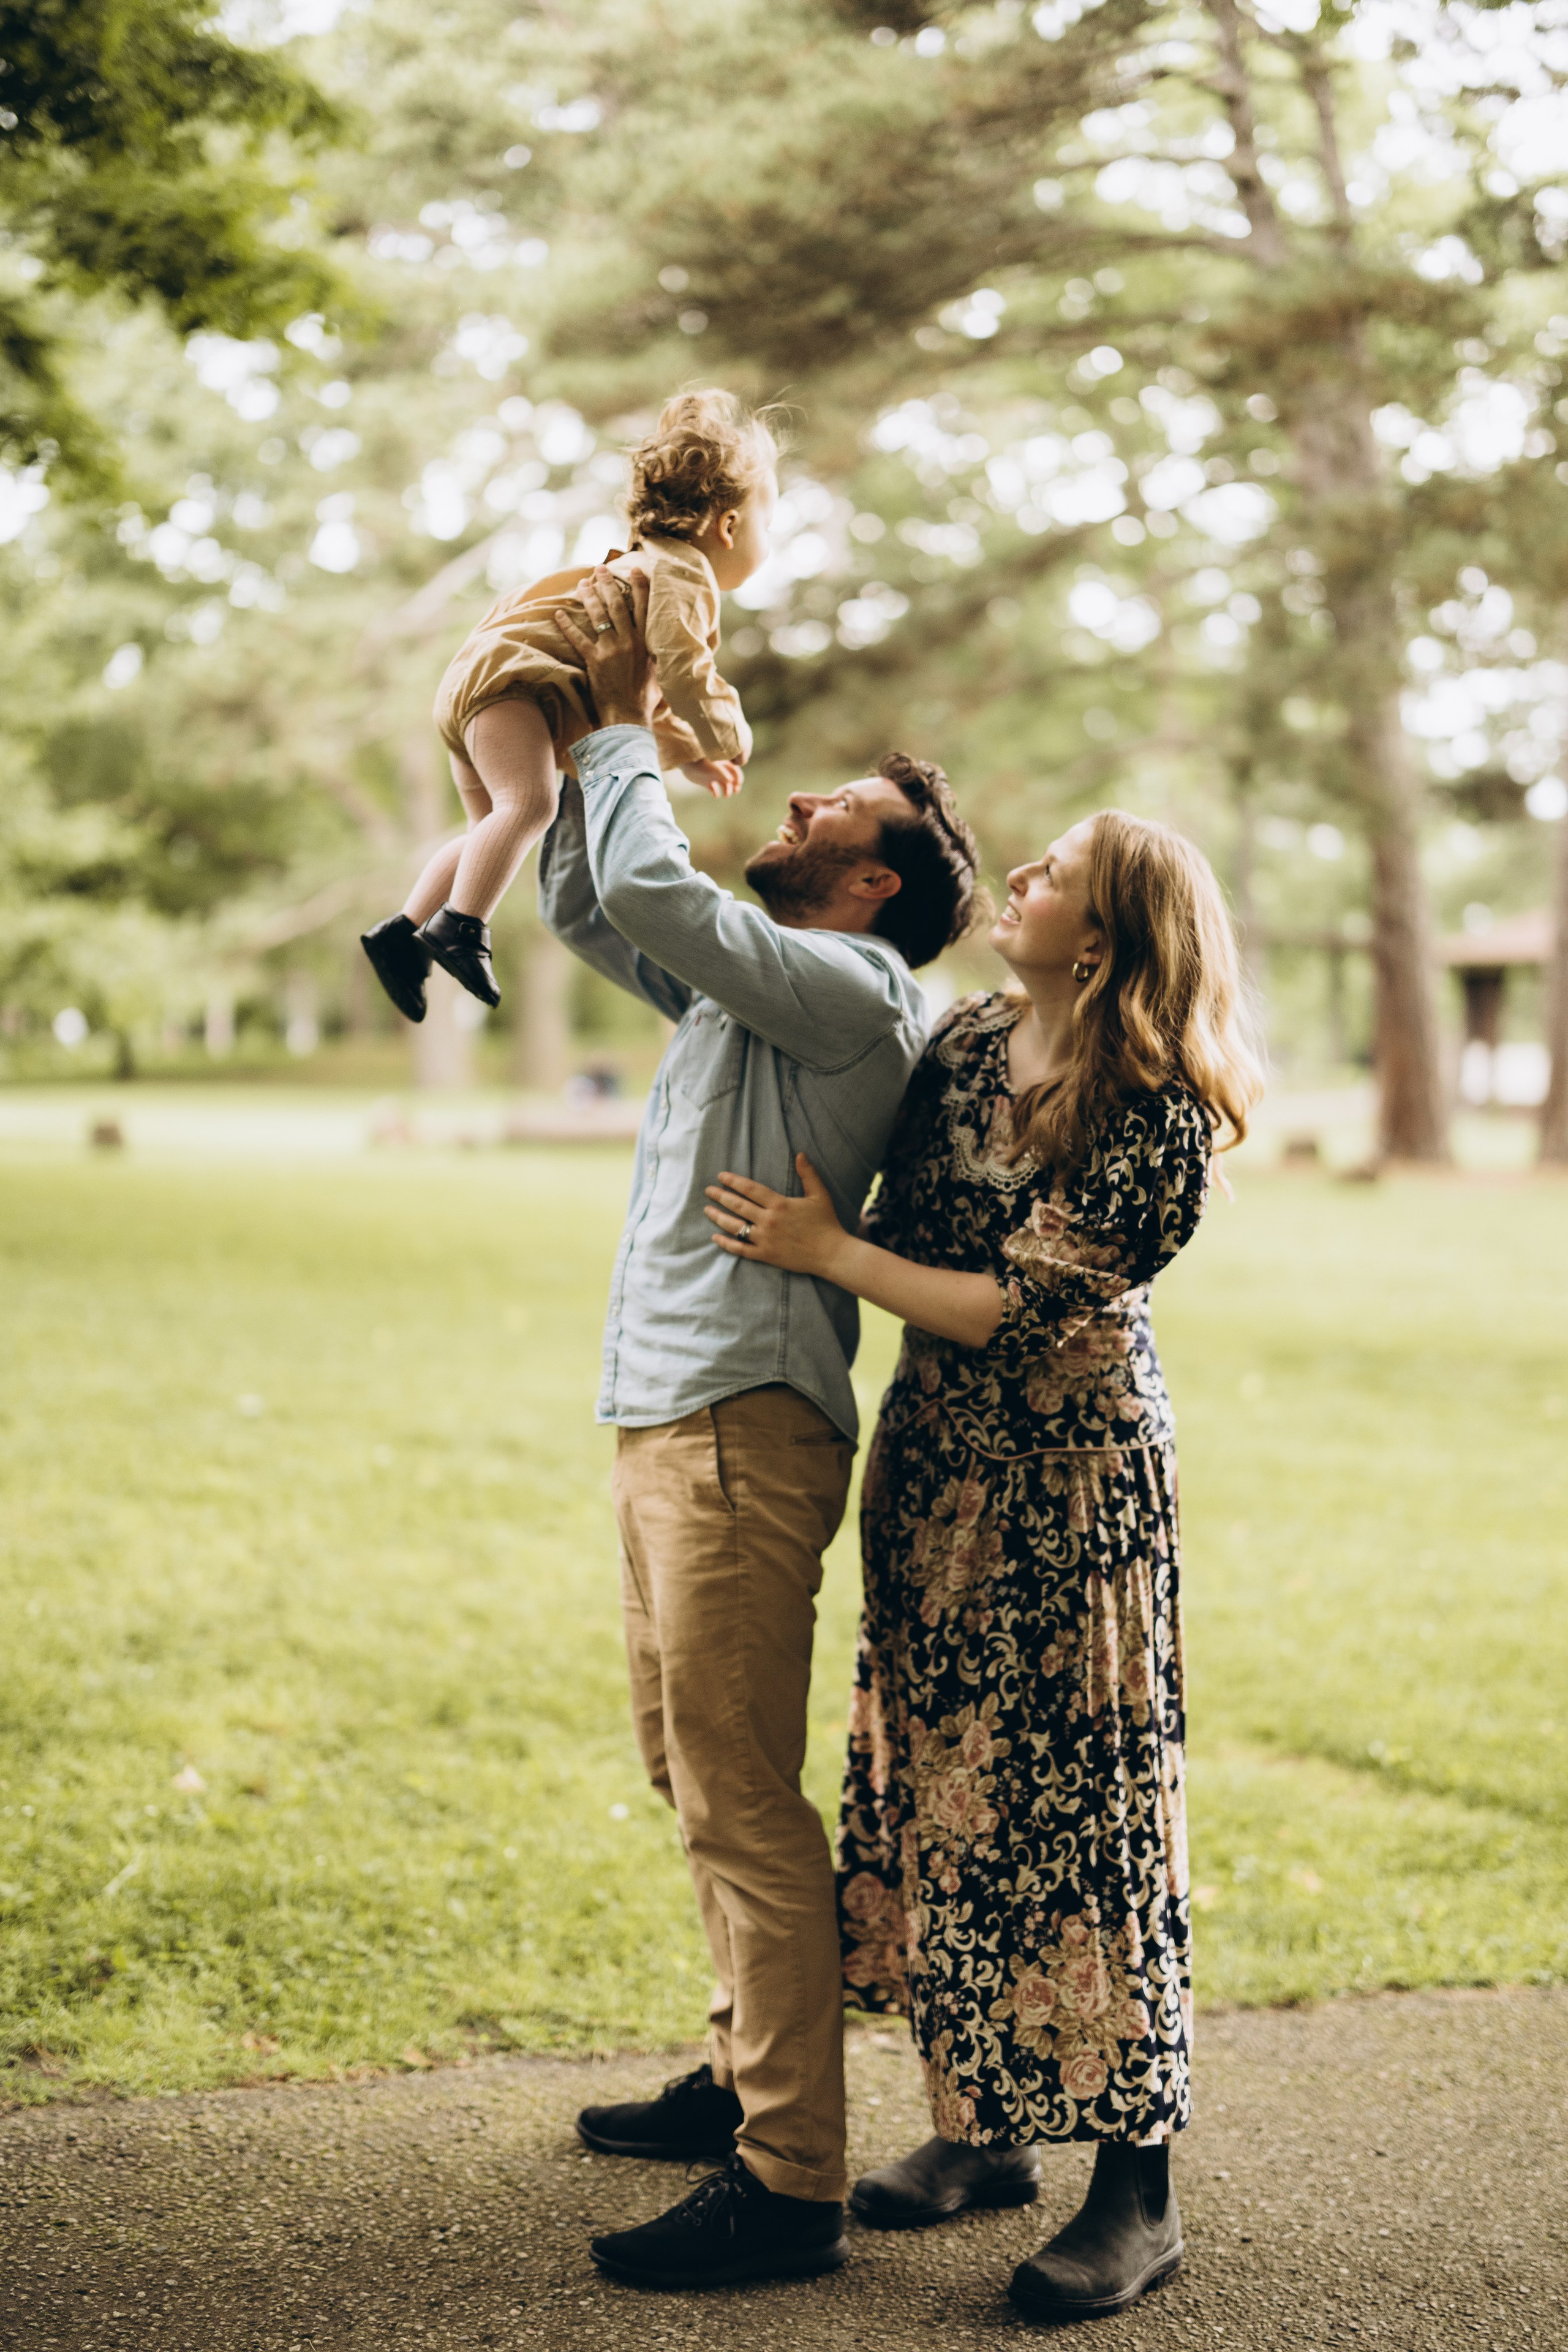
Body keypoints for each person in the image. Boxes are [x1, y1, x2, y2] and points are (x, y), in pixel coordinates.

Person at [703, 810, 1262, 2321]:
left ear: (1102, 931)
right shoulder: (958, 1041)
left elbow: (1010, 1306)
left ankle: (1133, 2192)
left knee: (1083, 1812)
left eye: (1050, 873)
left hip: (1072, 1498)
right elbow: (891, 1203)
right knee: (942, 1788)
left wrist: (827, 1255)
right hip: (932, 1469)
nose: (1013, 877)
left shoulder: (1149, 1106)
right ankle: (983, 2127)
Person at [533, 569, 982, 2293]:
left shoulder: (856, 994)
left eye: (832, 813)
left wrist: (642, 710)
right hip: (665, 1414)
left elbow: (651, 871)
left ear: (875, 883)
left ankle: (791, 2181)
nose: (791, 807)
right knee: (690, 1776)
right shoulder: (755, 992)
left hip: (741, 1430)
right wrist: (576, 723)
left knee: (738, 1797)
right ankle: (744, 2081)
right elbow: (596, 905)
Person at [359, 388, 776, 1021]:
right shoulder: (684, 578)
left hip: (478, 693)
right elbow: (686, 673)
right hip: (513, 692)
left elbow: (645, 689)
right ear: (729, 526)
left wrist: (686, 755)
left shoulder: (638, 565)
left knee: (490, 831)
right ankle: (459, 929)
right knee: (531, 805)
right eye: (769, 523)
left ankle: (402, 936)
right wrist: (725, 734)